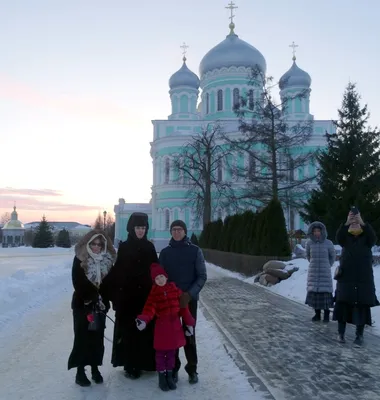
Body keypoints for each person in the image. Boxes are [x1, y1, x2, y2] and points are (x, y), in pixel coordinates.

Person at [103, 212, 158, 378]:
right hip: (128, 299)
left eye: (143, 227)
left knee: (146, 331)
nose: (140, 231)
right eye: (137, 227)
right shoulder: (125, 247)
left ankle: (146, 363)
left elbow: (156, 270)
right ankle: (131, 365)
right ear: (132, 228)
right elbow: (118, 271)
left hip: (146, 298)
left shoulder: (150, 247)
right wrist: (111, 294)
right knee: (129, 333)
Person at [158, 220, 207, 384]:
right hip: (170, 301)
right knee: (172, 336)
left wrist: (189, 294)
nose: (177, 232)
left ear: (185, 232)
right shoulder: (165, 253)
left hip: (188, 301)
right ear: (170, 232)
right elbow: (161, 278)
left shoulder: (195, 251)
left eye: (180, 229)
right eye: (174, 229)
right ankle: (174, 368)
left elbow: (202, 276)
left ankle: (192, 369)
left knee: (189, 334)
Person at [136, 263, 195, 391]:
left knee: (172, 354)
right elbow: (149, 309)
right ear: (154, 281)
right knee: (160, 355)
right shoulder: (154, 294)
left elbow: (184, 309)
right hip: (162, 329)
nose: (160, 280)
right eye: (157, 278)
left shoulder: (175, 290)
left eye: (161, 276)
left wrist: (189, 323)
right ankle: (161, 378)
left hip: (175, 328)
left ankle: (169, 376)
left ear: (166, 277)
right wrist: (143, 320)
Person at [68, 230, 116, 387]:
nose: (96, 247)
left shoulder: (107, 260)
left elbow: (109, 284)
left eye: (99, 244)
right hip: (83, 306)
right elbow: (77, 281)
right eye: (93, 244)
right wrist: (90, 298)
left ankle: (95, 369)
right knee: (82, 338)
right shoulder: (81, 259)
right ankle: (80, 372)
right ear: (88, 244)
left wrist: (106, 299)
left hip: (99, 308)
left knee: (97, 338)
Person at [333, 208, 378, 345]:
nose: (354, 224)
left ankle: (359, 335)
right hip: (346, 278)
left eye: (356, 222)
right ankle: (341, 334)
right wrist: (347, 222)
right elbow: (338, 237)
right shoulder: (345, 238)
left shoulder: (367, 239)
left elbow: (373, 238)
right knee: (343, 306)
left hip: (363, 280)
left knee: (361, 308)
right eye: (352, 223)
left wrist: (362, 222)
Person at [305, 221, 336, 322]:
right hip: (313, 272)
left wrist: (328, 265)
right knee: (315, 294)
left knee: (325, 294)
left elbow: (332, 256)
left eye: (318, 231)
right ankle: (317, 314)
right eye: (314, 231)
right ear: (312, 232)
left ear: (322, 231)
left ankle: (326, 315)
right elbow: (308, 256)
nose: (316, 233)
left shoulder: (328, 243)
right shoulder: (309, 243)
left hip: (324, 272)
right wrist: (313, 263)